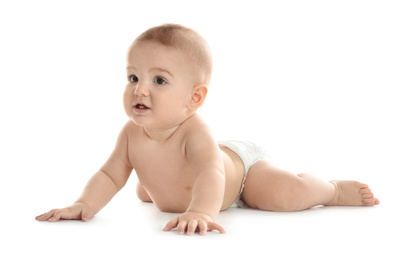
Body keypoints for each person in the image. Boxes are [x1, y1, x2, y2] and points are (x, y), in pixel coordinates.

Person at [36, 24, 379, 235]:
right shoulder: (130, 133)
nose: (140, 90)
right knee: (144, 191)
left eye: (159, 80)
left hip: (239, 173)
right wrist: (83, 204)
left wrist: (200, 211)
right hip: (194, 176)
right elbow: (110, 176)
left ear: (194, 97)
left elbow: (212, 174)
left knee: (283, 195)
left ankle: (332, 190)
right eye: (133, 77)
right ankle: (167, 187)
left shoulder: (194, 130)